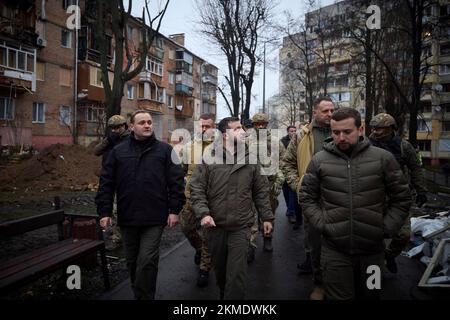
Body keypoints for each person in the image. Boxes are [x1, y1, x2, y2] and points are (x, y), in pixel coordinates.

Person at [299, 107, 412, 300]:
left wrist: (386, 228)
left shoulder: (383, 158)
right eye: (336, 132)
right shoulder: (319, 160)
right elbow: (307, 197)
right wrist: (323, 224)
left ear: (360, 130)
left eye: (347, 132)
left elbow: (401, 197)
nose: (341, 138)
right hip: (334, 253)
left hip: (374, 253)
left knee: (372, 294)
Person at [95, 110, 185, 300]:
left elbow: (176, 182)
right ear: (132, 127)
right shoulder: (118, 152)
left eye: (149, 122)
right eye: (142, 122)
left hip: (155, 216)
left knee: (147, 261)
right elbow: (106, 183)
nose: (147, 125)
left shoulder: (166, 150)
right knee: (133, 262)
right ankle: (141, 294)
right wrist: (104, 212)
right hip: (128, 217)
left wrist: (174, 210)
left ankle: (145, 297)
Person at [189, 117, 274, 300]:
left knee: (236, 277)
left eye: (242, 128)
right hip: (215, 227)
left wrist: (266, 217)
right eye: (237, 129)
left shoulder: (251, 158)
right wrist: (203, 214)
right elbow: (196, 188)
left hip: (241, 227)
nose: (243, 131)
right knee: (220, 274)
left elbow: (261, 190)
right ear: (225, 135)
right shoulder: (209, 157)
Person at [281, 96, 334, 300]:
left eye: (332, 110)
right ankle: (319, 284)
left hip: (340, 197)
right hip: (312, 198)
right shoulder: (302, 135)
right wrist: (298, 186)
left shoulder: (341, 132)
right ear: (315, 112)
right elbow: (287, 163)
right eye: (325, 111)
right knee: (315, 242)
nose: (329, 114)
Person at [369, 112, 427, 273]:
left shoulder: (403, 146)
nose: (375, 131)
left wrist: (421, 190)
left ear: (391, 129)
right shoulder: (367, 144)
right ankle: (375, 273)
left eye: (379, 129)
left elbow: (415, 168)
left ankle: (389, 255)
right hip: (375, 197)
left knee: (403, 236)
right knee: (375, 237)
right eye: (373, 128)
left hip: (399, 198)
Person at [179, 113, 215, 287]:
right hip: (190, 196)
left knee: (208, 234)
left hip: (212, 199)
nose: (203, 129)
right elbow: (181, 170)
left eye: (207, 126)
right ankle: (199, 249)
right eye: (200, 126)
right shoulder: (189, 147)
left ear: (213, 127)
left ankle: (204, 268)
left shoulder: (221, 148)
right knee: (186, 227)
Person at [248, 113, 283, 254]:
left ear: (267, 124)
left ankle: (268, 237)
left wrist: (280, 180)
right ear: (254, 125)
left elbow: (283, 161)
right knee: (250, 215)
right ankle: (250, 244)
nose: (260, 126)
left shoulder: (275, 141)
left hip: (269, 183)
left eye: (263, 123)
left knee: (268, 213)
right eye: (257, 124)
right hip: (250, 183)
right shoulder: (246, 140)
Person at [94, 114, 130, 249]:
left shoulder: (130, 139)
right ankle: (118, 236)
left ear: (124, 126)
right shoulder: (111, 138)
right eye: (112, 128)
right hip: (110, 177)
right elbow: (96, 151)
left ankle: (118, 238)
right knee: (111, 207)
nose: (114, 130)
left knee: (118, 209)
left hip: (124, 179)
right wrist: (108, 140)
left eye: (117, 128)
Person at [280, 125, 302, 228]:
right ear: (287, 132)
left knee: (293, 192)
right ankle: (290, 208)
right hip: (284, 170)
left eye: (294, 130)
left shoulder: (299, 139)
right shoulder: (282, 141)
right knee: (286, 193)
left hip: (294, 170)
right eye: (291, 131)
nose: (293, 132)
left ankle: (291, 212)